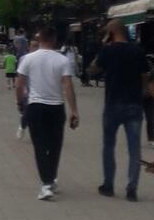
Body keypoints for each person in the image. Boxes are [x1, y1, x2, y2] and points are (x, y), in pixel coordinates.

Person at [89, 20, 151, 201]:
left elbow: (92, 70)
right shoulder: (137, 51)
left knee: (109, 146)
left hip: (112, 104)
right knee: (134, 148)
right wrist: (142, 92)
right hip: (134, 104)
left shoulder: (107, 51)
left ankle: (108, 185)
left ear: (111, 33)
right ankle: (132, 189)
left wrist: (103, 46)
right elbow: (145, 75)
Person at [16, 26, 79, 201]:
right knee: (55, 145)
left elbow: (19, 84)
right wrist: (74, 110)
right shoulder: (62, 60)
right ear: (54, 40)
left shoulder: (28, 59)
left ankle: (46, 183)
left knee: (40, 146)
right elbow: (67, 85)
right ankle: (50, 178)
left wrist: (20, 102)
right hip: (56, 107)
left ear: (40, 39)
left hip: (36, 106)